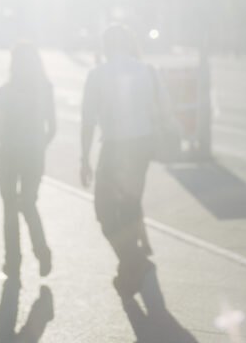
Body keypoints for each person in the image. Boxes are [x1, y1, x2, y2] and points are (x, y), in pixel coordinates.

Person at [80, 25, 172, 299]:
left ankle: (134, 262)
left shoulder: (97, 75)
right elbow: (166, 110)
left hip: (115, 147)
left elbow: (88, 121)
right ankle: (129, 270)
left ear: (105, 46)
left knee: (105, 212)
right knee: (130, 207)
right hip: (142, 146)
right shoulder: (149, 72)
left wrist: (84, 159)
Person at [0, 42, 55, 280]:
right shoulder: (45, 88)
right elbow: (52, 128)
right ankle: (42, 251)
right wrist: (38, 147)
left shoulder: (6, 90)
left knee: (9, 210)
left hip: (7, 157)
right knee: (28, 203)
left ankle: (12, 262)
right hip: (33, 156)